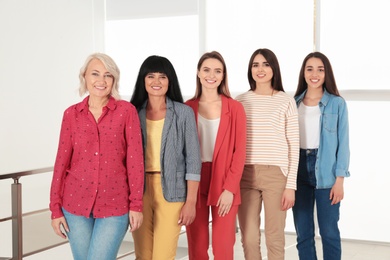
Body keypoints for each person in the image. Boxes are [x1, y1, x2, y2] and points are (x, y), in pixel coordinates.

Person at [49, 53, 144, 260]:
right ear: (84, 77)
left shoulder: (127, 112)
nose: (101, 81)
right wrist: (55, 208)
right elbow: (61, 162)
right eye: (95, 74)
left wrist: (136, 205)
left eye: (107, 75)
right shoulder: (71, 115)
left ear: (114, 80)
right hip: (75, 205)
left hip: (114, 205)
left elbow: (135, 161)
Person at [130, 55, 202, 260]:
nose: (156, 82)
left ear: (170, 80)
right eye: (151, 76)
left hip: (173, 191)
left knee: (163, 255)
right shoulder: (132, 113)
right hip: (139, 191)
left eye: (162, 77)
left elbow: (194, 161)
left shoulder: (184, 113)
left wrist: (190, 202)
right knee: (143, 255)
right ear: (143, 80)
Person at [235, 48, 300, 260]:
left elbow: (293, 144)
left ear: (274, 69)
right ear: (250, 70)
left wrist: (291, 185)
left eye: (265, 64)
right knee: (249, 237)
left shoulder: (285, 101)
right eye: (255, 65)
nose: (260, 69)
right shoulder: (241, 101)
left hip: (276, 175)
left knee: (275, 237)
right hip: (245, 174)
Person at [185, 51, 247, 260]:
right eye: (207, 70)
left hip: (225, 179)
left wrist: (230, 188)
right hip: (195, 180)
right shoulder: (187, 108)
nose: (212, 75)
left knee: (223, 248)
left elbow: (240, 152)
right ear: (198, 73)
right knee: (197, 246)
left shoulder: (235, 108)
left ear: (223, 75)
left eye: (217, 71)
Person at [292, 52, 350, 260]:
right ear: (303, 73)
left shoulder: (337, 104)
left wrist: (340, 180)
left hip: (326, 172)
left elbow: (343, 144)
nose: (314, 74)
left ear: (327, 73)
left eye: (320, 69)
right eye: (310, 69)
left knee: (329, 233)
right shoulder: (293, 103)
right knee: (304, 234)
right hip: (298, 172)